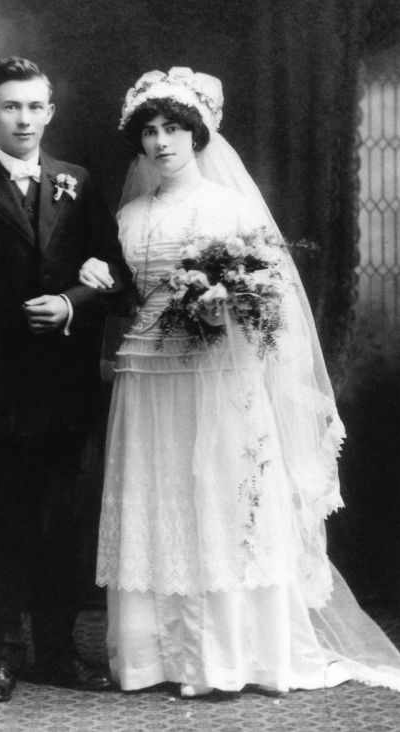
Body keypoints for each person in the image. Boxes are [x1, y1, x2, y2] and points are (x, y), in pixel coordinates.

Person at [90, 67, 400, 696]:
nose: (161, 141)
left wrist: (225, 305)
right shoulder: (126, 216)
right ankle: (159, 658)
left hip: (217, 377)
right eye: (149, 131)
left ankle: (231, 658)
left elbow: (272, 306)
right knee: (161, 499)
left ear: (198, 134)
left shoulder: (229, 208)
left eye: (174, 127)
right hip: (145, 378)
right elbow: (124, 297)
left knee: (222, 501)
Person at [0, 57, 129, 704]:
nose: (23, 119)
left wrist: (73, 302)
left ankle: (59, 652)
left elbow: (117, 274)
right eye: (10, 106)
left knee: (60, 525)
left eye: (34, 106)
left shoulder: (78, 181)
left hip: (64, 391)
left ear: (50, 112)